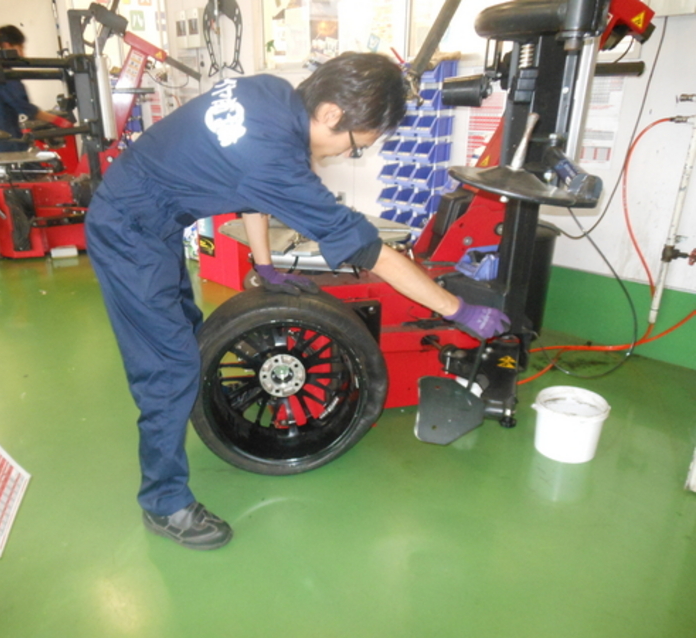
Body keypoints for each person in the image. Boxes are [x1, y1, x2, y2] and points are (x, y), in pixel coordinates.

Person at [85, 52, 510, 551]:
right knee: (168, 366)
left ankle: (185, 426)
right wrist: (457, 310)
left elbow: (246, 185)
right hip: (128, 231)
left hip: (149, 216)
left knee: (184, 324)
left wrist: (264, 265)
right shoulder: (275, 160)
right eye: (356, 147)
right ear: (331, 113)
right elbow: (370, 251)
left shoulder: (270, 95)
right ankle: (163, 503)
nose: (345, 155)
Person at [0, 25, 72, 152]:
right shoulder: (5, 77)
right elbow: (27, 109)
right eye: (20, 48)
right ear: (7, 46)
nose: (23, 53)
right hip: (11, 143)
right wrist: (59, 120)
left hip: (3, 141)